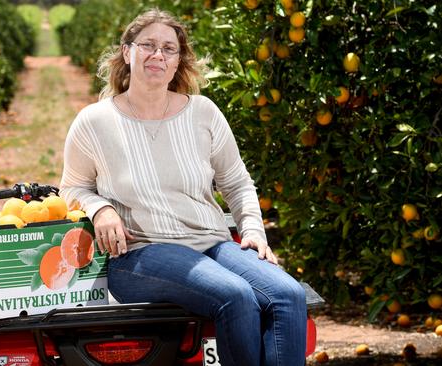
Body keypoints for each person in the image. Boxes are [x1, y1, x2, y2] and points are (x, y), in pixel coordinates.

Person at [59, 8, 306, 366]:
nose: (157, 55)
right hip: (140, 254)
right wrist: (101, 207)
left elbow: (236, 181)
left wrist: (253, 229)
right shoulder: (94, 122)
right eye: (147, 45)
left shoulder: (203, 113)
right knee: (235, 294)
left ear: (178, 62)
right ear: (127, 53)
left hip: (212, 244)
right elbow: (72, 187)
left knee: (288, 294)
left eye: (168, 49)